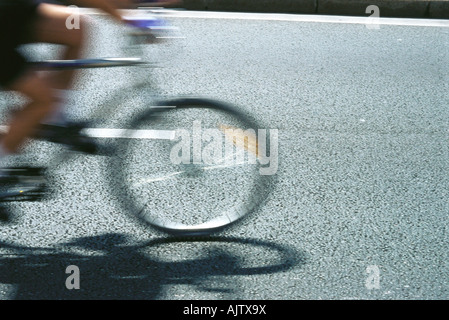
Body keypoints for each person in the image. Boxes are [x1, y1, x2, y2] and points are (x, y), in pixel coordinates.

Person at [0, 0, 179, 221]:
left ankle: (54, 118)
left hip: (13, 11)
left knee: (75, 25)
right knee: (42, 100)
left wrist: (129, 12)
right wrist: (128, 18)